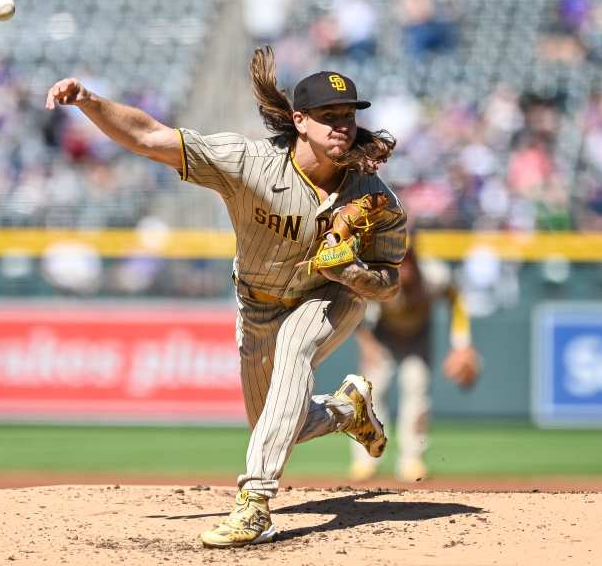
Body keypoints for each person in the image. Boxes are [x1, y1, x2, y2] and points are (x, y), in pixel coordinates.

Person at [46, 46, 408, 548]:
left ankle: (255, 504)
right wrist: (89, 100)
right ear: (299, 121)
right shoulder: (250, 163)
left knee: (295, 350)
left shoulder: (373, 194)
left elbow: (391, 280)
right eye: (329, 116)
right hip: (256, 304)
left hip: (330, 295)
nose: (342, 126)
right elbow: (151, 138)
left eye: (348, 116)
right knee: (274, 424)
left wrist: (353, 273)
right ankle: (347, 411)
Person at [349, 244, 480, 483]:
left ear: (415, 260)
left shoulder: (434, 275)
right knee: (370, 391)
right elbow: (356, 308)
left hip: (418, 337)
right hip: (382, 335)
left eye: (408, 260)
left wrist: (462, 345)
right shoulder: (379, 275)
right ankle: (366, 459)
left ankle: (412, 460)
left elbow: (457, 299)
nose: (405, 268)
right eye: (400, 261)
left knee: (417, 390)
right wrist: (366, 346)